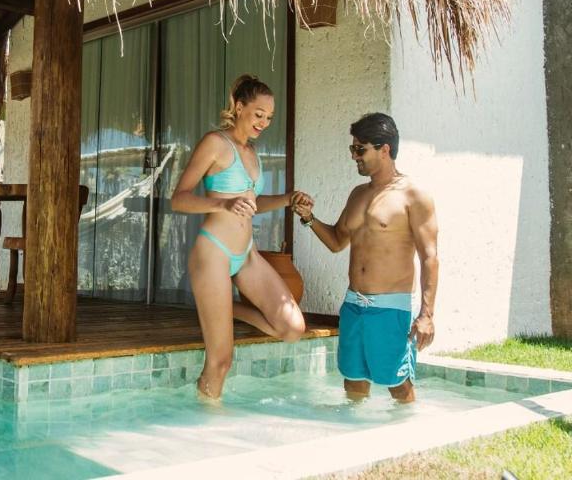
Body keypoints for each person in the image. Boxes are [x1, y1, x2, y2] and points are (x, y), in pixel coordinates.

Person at [171, 74, 311, 400]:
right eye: (258, 114)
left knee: (293, 328)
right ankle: (208, 422)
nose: (264, 122)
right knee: (221, 361)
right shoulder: (215, 143)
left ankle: (224, 308)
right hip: (213, 253)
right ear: (238, 106)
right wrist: (223, 202)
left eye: (269, 118)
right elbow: (179, 198)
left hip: (246, 254)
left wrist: (288, 198)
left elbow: (251, 204)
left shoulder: (252, 152)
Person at [293, 113, 438, 403]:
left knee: (397, 383)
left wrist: (427, 315)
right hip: (353, 306)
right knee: (353, 381)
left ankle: (410, 438)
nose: (354, 156)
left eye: (360, 150)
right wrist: (308, 218)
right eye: (352, 149)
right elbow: (337, 241)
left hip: (389, 309)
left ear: (384, 149)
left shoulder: (414, 196)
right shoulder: (358, 194)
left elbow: (430, 258)